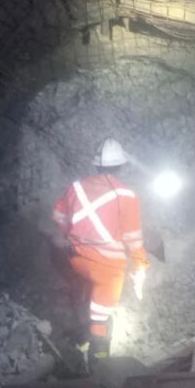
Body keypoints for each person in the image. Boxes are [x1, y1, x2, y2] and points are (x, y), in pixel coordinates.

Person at [52, 138, 149, 368]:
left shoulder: (75, 187)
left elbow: (58, 215)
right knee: (101, 317)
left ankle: (78, 343)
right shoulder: (127, 196)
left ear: (96, 165)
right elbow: (133, 238)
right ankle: (98, 362)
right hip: (107, 270)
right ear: (121, 167)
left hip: (76, 259)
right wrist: (140, 267)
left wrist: (70, 235)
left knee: (83, 294)